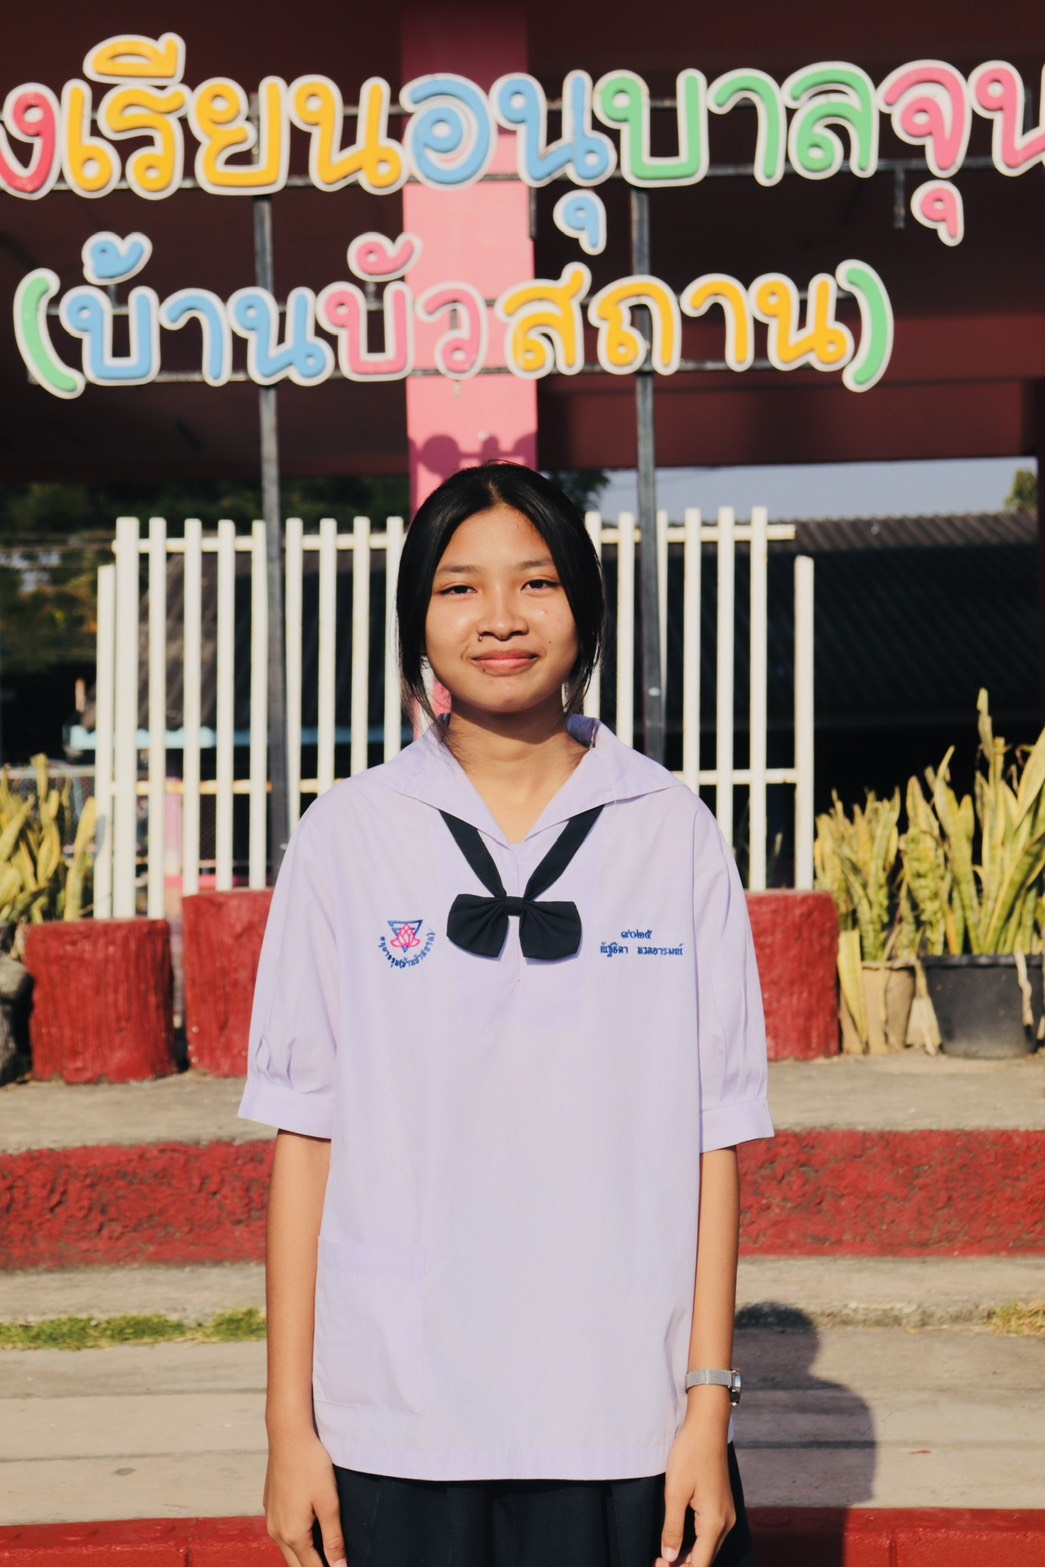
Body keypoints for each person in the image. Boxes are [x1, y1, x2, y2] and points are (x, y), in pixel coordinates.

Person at [239, 462, 774, 1567]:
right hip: (396, 1418)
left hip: (622, 1415)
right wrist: (291, 1426)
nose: (498, 618)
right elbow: (307, 1135)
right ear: (416, 620)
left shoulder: (668, 828)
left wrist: (705, 1408)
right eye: (458, 587)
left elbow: (713, 1136)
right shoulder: (349, 834)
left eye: (535, 582)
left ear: (584, 606)